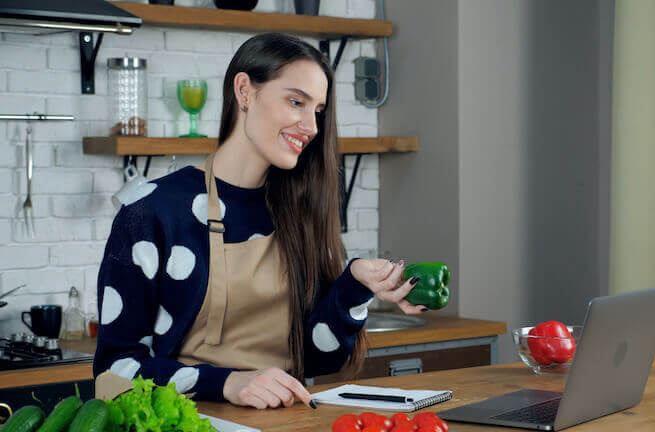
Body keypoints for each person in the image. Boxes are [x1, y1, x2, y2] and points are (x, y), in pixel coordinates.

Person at [93, 33, 426, 409]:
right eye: (295, 101)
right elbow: (114, 370)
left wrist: (354, 286)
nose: (312, 127)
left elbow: (318, 359)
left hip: (284, 420)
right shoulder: (152, 210)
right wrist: (227, 383)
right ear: (244, 91)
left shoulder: (298, 210)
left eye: (317, 110)